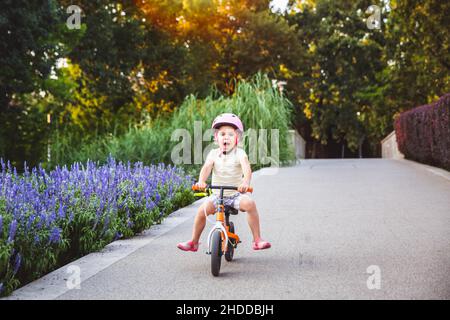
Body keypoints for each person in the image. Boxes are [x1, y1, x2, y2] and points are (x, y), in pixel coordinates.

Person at [177, 113, 271, 252]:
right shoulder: (213, 154)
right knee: (202, 210)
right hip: (217, 195)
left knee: (250, 204)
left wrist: (245, 182)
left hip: (235, 194)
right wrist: (201, 181)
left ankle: (257, 239)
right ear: (216, 138)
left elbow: (246, 168)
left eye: (230, 134)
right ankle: (194, 242)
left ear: (237, 139)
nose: (226, 137)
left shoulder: (240, 154)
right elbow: (207, 167)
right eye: (222, 134)